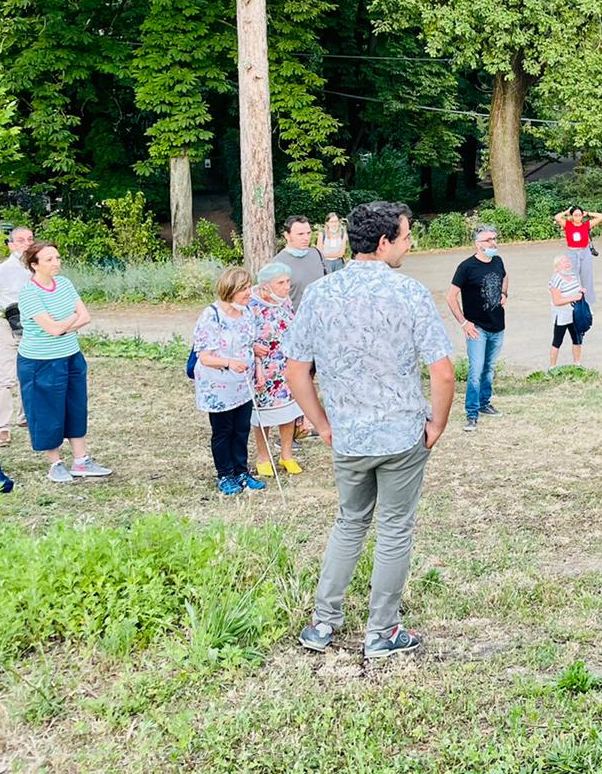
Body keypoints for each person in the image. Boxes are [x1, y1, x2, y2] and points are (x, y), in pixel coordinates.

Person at [283, 201, 456, 661]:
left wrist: (323, 424)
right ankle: (382, 631)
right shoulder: (409, 292)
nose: (409, 244)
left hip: (349, 437)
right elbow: (442, 371)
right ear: (384, 242)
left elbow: (296, 369)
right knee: (395, 528)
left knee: (350, 522)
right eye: (406, 236)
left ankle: (323, 623)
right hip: (402, 435)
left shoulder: (319, 293)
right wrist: (437, 423)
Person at [15, 242, 112, 484]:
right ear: (34, 265)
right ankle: (55, 463)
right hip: (40, 362)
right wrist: (70, 321)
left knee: (75, 406)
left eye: (57, 258)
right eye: (49, 259)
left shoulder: (65, 284)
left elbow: (85, 317)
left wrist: (63, 326)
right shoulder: (29, 293)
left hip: (71, 356)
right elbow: (53, 329)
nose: (56, 263)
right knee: (47, 410)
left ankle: (81, 460)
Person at [192, 267, 267, 496]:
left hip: (242, 384)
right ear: (230, 289)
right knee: (223, 430)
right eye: (244, 289)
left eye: (249, 287)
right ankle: (225, 474)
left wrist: (258, 362)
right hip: (218, 386)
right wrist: (229, 362)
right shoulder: (211, 316)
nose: (249, 293)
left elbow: (249, 343)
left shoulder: (247, 313)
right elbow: (204, 357)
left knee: (242, 428)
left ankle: (241, 471)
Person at [448, 226, 509, 427]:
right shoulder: (466, 267)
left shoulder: (498, 261)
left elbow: (505, 277)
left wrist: (504, 293)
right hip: (477, 328)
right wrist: (464, 323)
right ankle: (472, 413)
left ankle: (484, 403)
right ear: (478, 244)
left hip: (497, 326)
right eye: (488, 240)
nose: (493, 242)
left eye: (495, 238)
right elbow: (451, 297)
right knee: (476, 370)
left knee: (489, 368)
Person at [0, 224, 33, 444]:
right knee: (5, 377)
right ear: (11, 245)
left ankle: (25, 416)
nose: (26, 244)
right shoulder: (0, 272)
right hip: (7, 323)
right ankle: (2, 426)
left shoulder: (37, 267)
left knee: (29, 373)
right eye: (21, 240)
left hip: (33, 325)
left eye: (30, 239)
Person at [249, 263, 303, 477]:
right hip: (263, 368)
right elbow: (242, 333)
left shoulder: (285, 301)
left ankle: (286, 455)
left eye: (287, 281)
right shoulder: (252, 304)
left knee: (288, 411)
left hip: (286, 366)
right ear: (265, 286)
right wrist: (253, 347)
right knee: (263, 414)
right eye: (280, 283)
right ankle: (263, 457)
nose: (286, 286)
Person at [272, 216, 329, 310]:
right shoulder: (277, 264)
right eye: (300, 234)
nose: (306, 238)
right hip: (295, 316)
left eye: (308, 233)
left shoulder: (317, 254)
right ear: (287, 235)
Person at [554, 205, 602, 308]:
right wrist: (567, 211)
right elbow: (557, 217)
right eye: (575, 215)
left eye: (580, 215)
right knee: (572, 278)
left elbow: (601, 216)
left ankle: (588, 303)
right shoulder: (567, 224)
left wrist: (588, 213)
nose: (578, 217)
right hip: (572, 252)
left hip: (584, 252)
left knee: (587, 278)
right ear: (572, 216)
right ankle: (573, 303)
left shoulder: (586, 225)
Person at [549, 254, 588, 368]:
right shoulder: (556, 280)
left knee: (577, 339)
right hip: (562, 316)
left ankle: (577, 364)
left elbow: (575, 290)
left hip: (574, 314)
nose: (567, 264)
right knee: (557, 341)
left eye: (568, 261)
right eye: (563, 262)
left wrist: (581, 291)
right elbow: (557, 301)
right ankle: (552, 367)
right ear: (557, 267)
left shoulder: (573, 276)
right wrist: (574, 298)